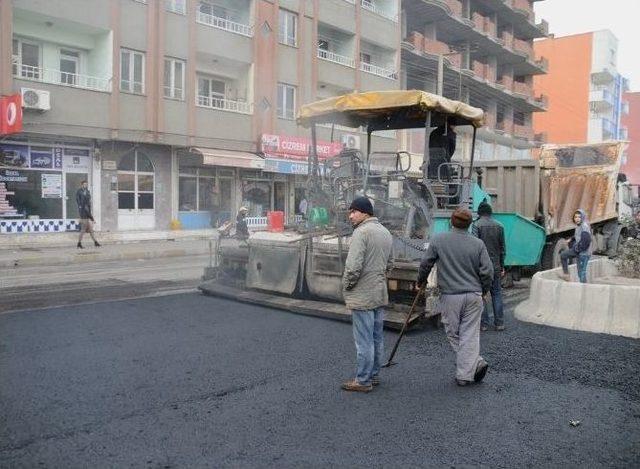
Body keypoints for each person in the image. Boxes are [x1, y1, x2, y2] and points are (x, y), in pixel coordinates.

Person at [417, 207, 494, 387]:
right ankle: (476, 362)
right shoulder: (478, 244)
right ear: (469, 224)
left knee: (453, 333)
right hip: (474, 294)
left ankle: (464, 375)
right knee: (470, 334)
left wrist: (421, 281)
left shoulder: (439, 240)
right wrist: (484, 290)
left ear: (451, 221)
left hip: (451, 296)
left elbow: (425, 263)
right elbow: (487, 271)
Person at [341, 196, 393, 393]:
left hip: (362, 295)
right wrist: (379, 279)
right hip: (379, 293)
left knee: (363, 340)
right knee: (376, 337)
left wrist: (347, 285)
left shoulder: (361, 233)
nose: (351, 215)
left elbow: (353, 267)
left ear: (365, 213)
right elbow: (391, 263)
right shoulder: (385, 232)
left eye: (354, 211)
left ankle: (363, 380)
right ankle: (373, 374)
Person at [473, 201, 506, 332]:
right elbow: (503, 248)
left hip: (482, 266)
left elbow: (475, 248)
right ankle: (499, 323)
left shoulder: (476, 225)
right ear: (490, 212)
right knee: (497, 293)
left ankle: (484, 324)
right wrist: (502, 266)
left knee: (482, 294)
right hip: (496, 265)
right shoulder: (500, 226)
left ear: (480, 213)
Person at [559, 209, 592, 283]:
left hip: (584, 253)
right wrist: (571, 239)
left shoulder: (584, 226)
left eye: (579, 217)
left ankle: (584, 288)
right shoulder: (579, 225)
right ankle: (566, 275)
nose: (577, 219)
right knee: (563, 255)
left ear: (582, 217)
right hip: (579, 250)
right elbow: (578, 236)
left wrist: (577, 249)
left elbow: (586, 241)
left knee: (581, 273)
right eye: (576, 217)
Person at [75, 180, 100, 249]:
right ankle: (79, 244)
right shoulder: (79, 191)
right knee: (83, 230)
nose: (85, 185)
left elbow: (89, 199)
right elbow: (78, 200)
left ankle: (96, 242)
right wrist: (92, 219)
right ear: (81, 185)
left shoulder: (87, 192)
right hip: (83, 215)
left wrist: (91, 218)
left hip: (86, 214)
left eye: (86, 184)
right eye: (84, 184)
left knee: (91, 230)